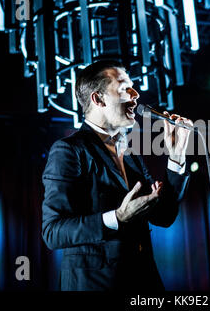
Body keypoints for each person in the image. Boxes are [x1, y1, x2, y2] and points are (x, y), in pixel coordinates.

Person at [41, 60, 192, 291]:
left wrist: (176, 159)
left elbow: (163, 216)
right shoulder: (69, 150)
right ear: (98, 99)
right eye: (124, 88)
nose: (136, 94)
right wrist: (117, 217)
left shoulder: (130, 151)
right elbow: (53, 232)